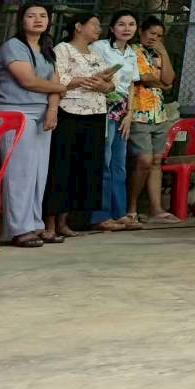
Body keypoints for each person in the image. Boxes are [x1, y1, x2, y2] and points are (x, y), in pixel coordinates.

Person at [0, 3, 66, 247]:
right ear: (21, 20)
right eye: (31, 15)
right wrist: (62, 87)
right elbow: (28, 81)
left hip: (42, 114)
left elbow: (54, 84)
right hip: (15, 113)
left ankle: (35, 225)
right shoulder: (13, 46)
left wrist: (53, 110)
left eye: (43, 16)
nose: (38, 19)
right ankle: (19, 229)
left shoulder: (47, 50)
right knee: (20, 172)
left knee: (38, 173)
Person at [45, 13, 114, 239]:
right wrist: (82, 81)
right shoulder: (63, 49)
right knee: (61, 167)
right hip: (69, 113)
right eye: (94, 24)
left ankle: (65, 222)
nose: (98, 29)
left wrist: (105, 85)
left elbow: (111, 84)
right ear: (78, 26)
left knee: (81, 169)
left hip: (95, 113)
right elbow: (57, 79)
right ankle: (49, 224)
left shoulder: (95, 53)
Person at [88, 11, 144, 232]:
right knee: (104, 160)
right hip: (102, 105)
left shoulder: (131, 53)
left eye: (131, 24)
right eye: (121, 24)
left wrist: (129, 114)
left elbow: (131, 85)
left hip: (122, 109)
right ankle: (101, 215)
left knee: (119, 164)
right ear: (111, 28)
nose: (126, 28)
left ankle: (119, 213)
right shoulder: (100, 47)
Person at [126, 16, 179, 224]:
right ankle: (131, 207)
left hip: (159, 113)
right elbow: (144, 78)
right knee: (144, 160)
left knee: (157, 161)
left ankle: (156, 209)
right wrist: (163, 85)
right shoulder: (133, 51)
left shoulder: (158, 54)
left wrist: (164, 53)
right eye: (151, 33)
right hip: (138, 112)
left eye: (159, 36)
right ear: (141, 32)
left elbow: (169, 79)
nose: (154, 38)